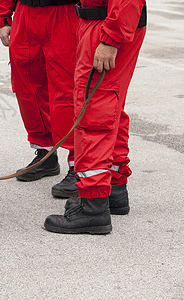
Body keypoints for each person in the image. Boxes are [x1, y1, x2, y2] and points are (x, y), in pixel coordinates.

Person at [44, 0, 147, 234]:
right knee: (110, 108)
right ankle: (113, 188)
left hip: (106, 26)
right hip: (104, 22)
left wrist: (111, 39)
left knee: (94, 113)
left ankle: (93, 207)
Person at [0, 0, 80, 199]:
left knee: (67, 91)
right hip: (26, 14)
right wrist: (3, 17)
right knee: (28, 89)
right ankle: (45, 155)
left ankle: (79, 166)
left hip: (66, 13)